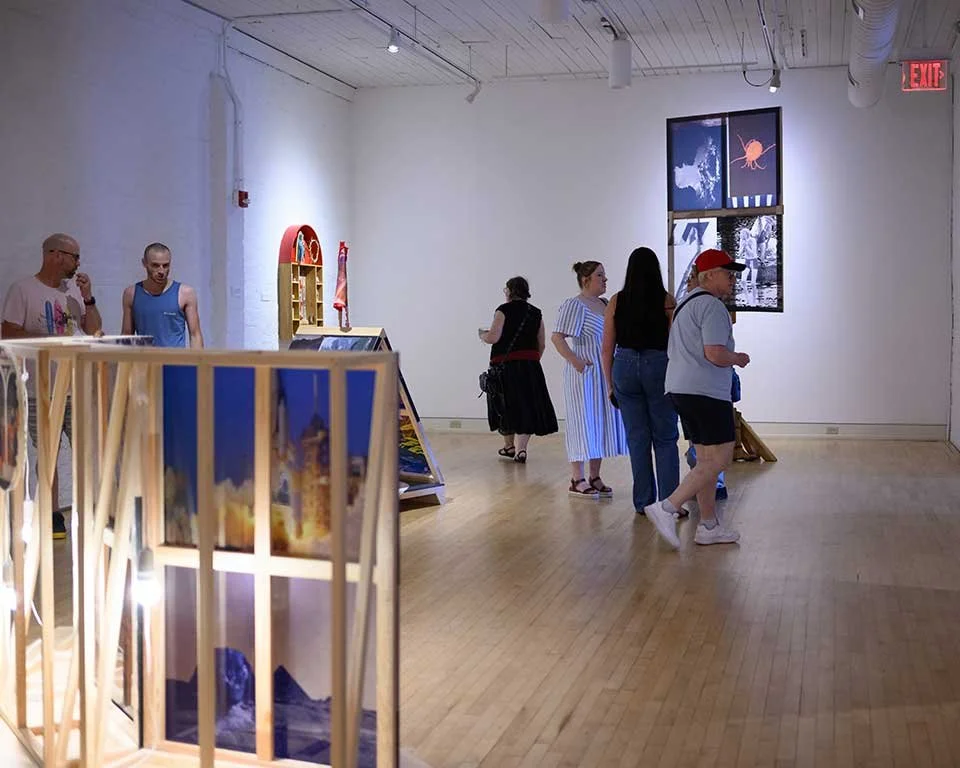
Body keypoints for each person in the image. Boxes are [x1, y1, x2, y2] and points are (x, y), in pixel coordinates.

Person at [643, 249, 750, 548]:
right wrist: (738, 358)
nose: (732, 279)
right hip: (706, 393)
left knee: (704, 462)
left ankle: (709, 525)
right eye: (727, 273)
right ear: (709, 275)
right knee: (720, 458)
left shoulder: (685, 304)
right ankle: (667, 507)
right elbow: (714, 353)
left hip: (681, 390)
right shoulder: (712, 306)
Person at [1, 233, 103, 538]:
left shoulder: (72, 294)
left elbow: (95, 331)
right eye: (75, 257)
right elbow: (8, 333)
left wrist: (88, 297)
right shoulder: (23, 290)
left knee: (88, 449)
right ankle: (52, 513)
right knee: (47, 453)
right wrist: (51, 343)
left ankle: (92, 510)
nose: (78, 263)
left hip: (76, 386)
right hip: (40, 389)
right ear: (55, 255)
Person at [600, 247, 680, 515]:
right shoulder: (667, 301)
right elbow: (675, 345)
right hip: (658, 365)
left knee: (637, 438)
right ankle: (669, 503)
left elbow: (606, 348)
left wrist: (610, 385)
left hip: (624, 365)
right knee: (665, 437)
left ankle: (643, 503)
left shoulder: (616, 301)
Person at [552, 261, 627, 497]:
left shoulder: (605, 304)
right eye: (600, 275)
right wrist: (576, 361)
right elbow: (557, 337)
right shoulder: (575, 305)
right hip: (584, 376)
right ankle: (577, 478)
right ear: (586, 280)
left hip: (604, 374)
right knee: (582, 422)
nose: (605, 279)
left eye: (604, 275)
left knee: (600, 422)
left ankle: (595, 475)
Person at [479, 277, 558, 462]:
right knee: (527, 406)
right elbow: (541, 343)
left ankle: (509, 446)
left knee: (504, 405)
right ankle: (521, 450)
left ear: (509, 291)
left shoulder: (503, 310)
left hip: (504, 366)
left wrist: (482, 335)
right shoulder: (535, 313)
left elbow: (493, 337)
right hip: (530, 365)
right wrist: (532, 361)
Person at [121, 242, 204, 347]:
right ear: (144, 263)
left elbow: (195, 335)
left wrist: (198, 357)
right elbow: (127, 335)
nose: (161, 271)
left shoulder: (185, 294)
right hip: (145, 357)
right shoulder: (131, 294)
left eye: (165, 265)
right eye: (155, 265)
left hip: (175, 357)